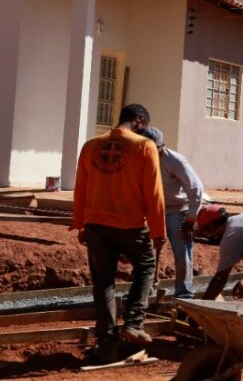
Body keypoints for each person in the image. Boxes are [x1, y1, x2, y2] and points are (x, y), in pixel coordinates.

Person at [72, 103, 166, 359]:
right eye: (144, 128)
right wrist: (159, 231)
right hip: (131, 225)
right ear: (138, 121)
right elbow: (154, 192)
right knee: (146, 265)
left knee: (103, 283)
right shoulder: (145, 147)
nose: (144, 133)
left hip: (96, 225)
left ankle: (106, 342)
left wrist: (80, 224)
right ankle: (134, 323)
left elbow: (81, 186)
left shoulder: (90, 146)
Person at [140, 126, 205, 299]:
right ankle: (148, 290)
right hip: (153, 211)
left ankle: (184, 294)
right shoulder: (140, 158)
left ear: (162, 146)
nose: (151, 153)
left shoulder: (175, 161)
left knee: (182, 252)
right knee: (148, 252)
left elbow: (196, 188)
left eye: (155, 149)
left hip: (177, 211)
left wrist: (191, 219)